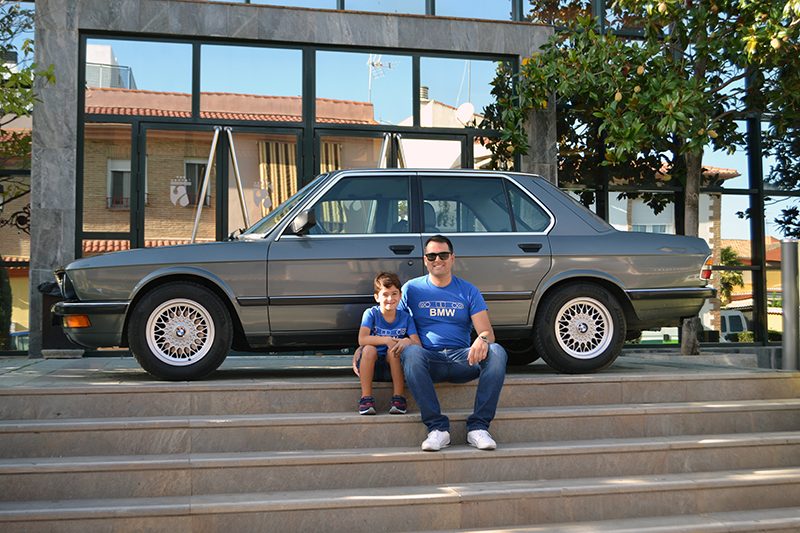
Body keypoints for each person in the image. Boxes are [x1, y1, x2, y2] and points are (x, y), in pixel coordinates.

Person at [390, 235, 507, 451]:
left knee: (497, 352)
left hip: (464, 359)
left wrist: (481, 339)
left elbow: (487, 332)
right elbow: (394, 325)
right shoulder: (411, 289)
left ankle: (478, 428)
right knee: (411, 353)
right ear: (425, 260)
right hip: (428, 359)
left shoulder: (468, 290)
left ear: (452, 258)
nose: (438, 260)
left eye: (443, 255)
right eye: (432, 255)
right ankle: (437, 429)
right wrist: (365, 347)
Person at [352, 271, 421, 415]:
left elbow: (418, 344)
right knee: (369, 349)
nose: (390, 298)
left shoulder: (406, 318)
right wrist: (387, 340)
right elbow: (362, 339)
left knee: (394, 350)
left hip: (393, 370)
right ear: (377, 297)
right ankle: (366, 398)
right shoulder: (371, 314)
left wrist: (407, 341)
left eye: (394, 293)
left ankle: (398, 398)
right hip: (371, 369)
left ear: (400, 296)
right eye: (385, 294)